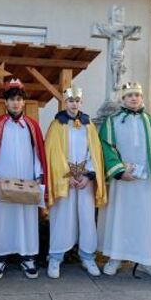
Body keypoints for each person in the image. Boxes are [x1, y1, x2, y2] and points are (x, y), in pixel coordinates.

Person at [97, 82, 151, 277]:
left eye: (137, 95)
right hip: (121, 181)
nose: (134, 98)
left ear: (142, 98)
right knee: (119, 218)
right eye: (129, 95)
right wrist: (120, 171)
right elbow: (105, 147)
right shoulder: (112, 121)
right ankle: (115, 258)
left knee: (144, 221)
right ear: (123, 99)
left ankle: (146, 260)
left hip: (145, 182)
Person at [0, 78, 47, 279]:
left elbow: (38, 153)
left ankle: (28, 256)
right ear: (5, 102)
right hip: (2, 182)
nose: (15, 103)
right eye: (11, 99)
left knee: (26, 218)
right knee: (1, 218)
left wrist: (39, 176)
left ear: (23, 102)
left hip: (27, 181)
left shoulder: (32, 126)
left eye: (19, 99)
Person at [45, 86, 106, 278]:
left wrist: (88, 175)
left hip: (84, 181)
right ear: (65, 103)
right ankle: (56, 257)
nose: (74, 104)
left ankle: (87, 256)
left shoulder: (89, 125)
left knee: (87, 219)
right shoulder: (57, 125)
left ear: (81, 102)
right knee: (61, 217)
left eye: (77, 101)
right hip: (65, 180)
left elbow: (94, 152)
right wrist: (68, 175)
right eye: (71, 101)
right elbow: (53, 153)